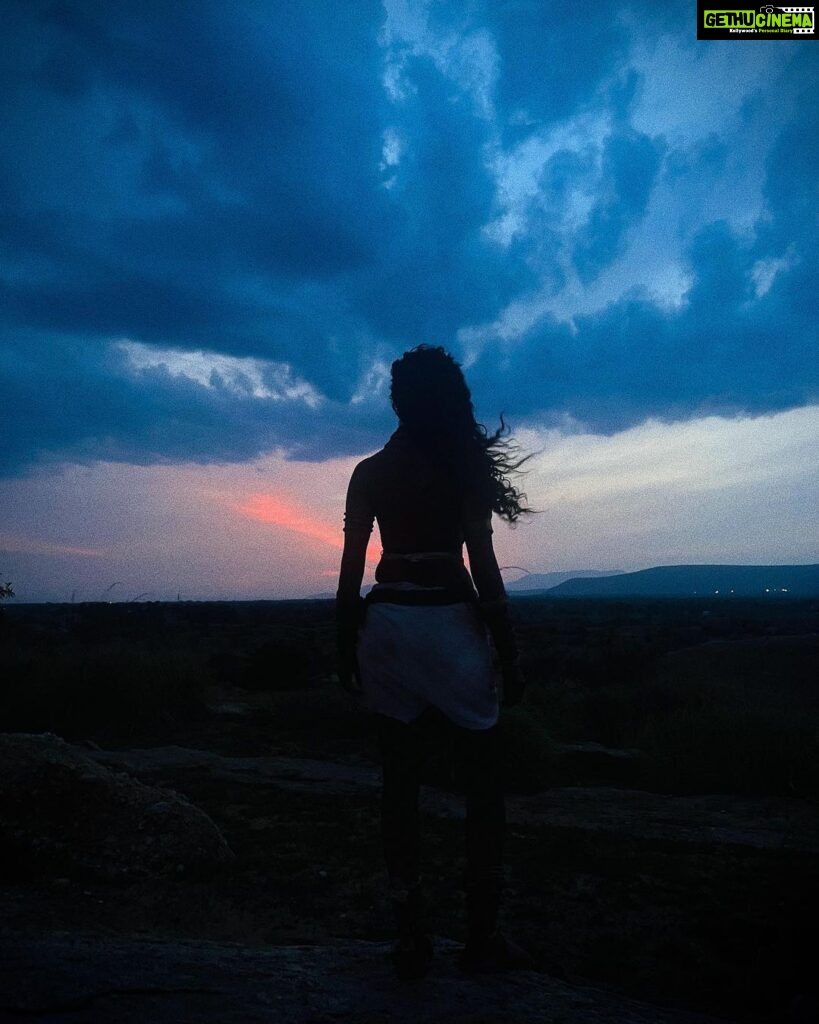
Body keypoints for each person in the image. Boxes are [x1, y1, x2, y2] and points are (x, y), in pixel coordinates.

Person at [336, 345, 531, 979]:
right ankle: (481, 935)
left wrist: (345, 645)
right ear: (453, 399)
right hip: (450, 622)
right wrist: (508, 649)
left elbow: (349, 574)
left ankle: (412, 935)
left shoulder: (368, 473)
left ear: (397, 400)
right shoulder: (462, 468)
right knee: (484, 784)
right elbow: (485, 568)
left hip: (387, 625)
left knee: (399, 783)